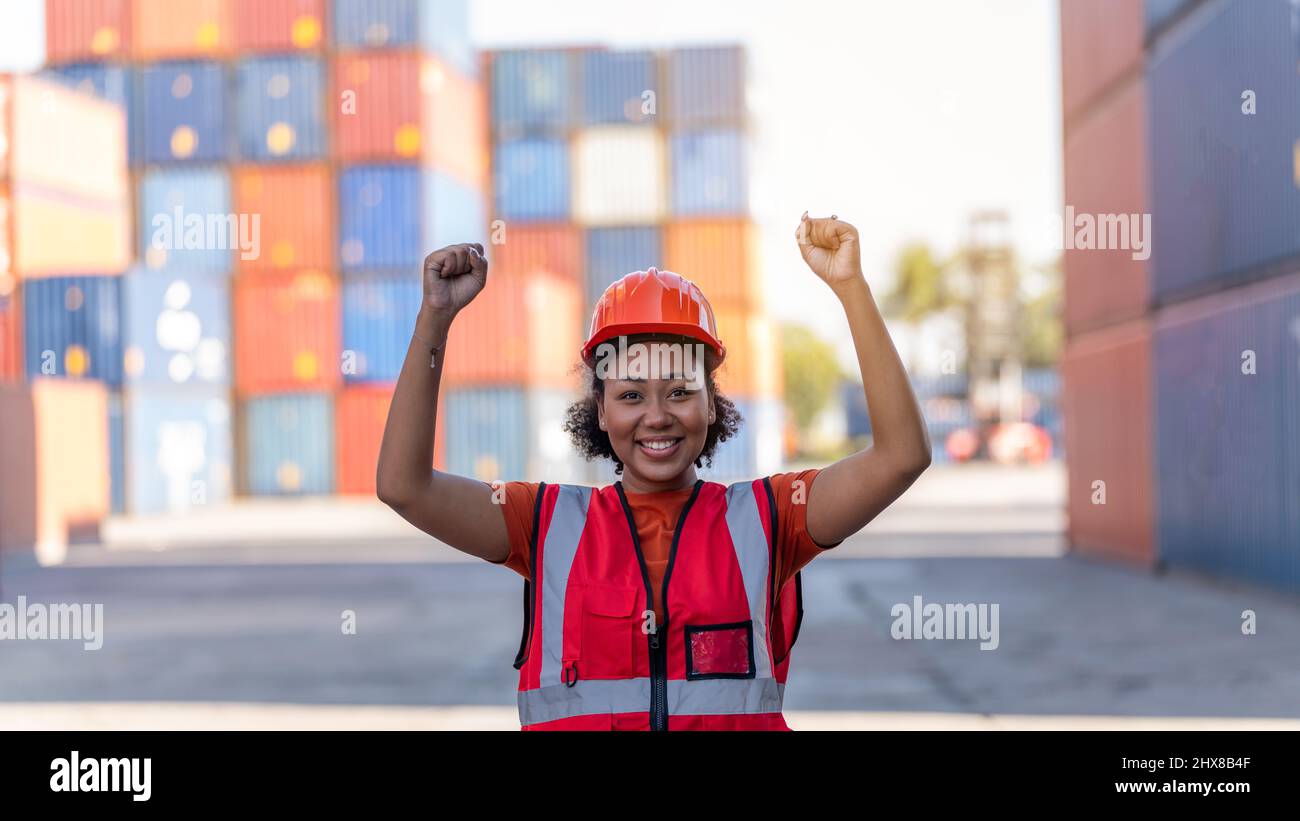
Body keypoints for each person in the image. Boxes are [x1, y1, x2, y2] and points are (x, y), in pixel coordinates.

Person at [377, 213, 931, 730]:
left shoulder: (771, 519)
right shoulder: (542, 523)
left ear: (711, 404)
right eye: (632, 394)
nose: (657, 416)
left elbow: (900, 456)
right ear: (600, 410)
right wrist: (436, 318)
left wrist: (851, 287)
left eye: (680, 392)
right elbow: (405, 487)